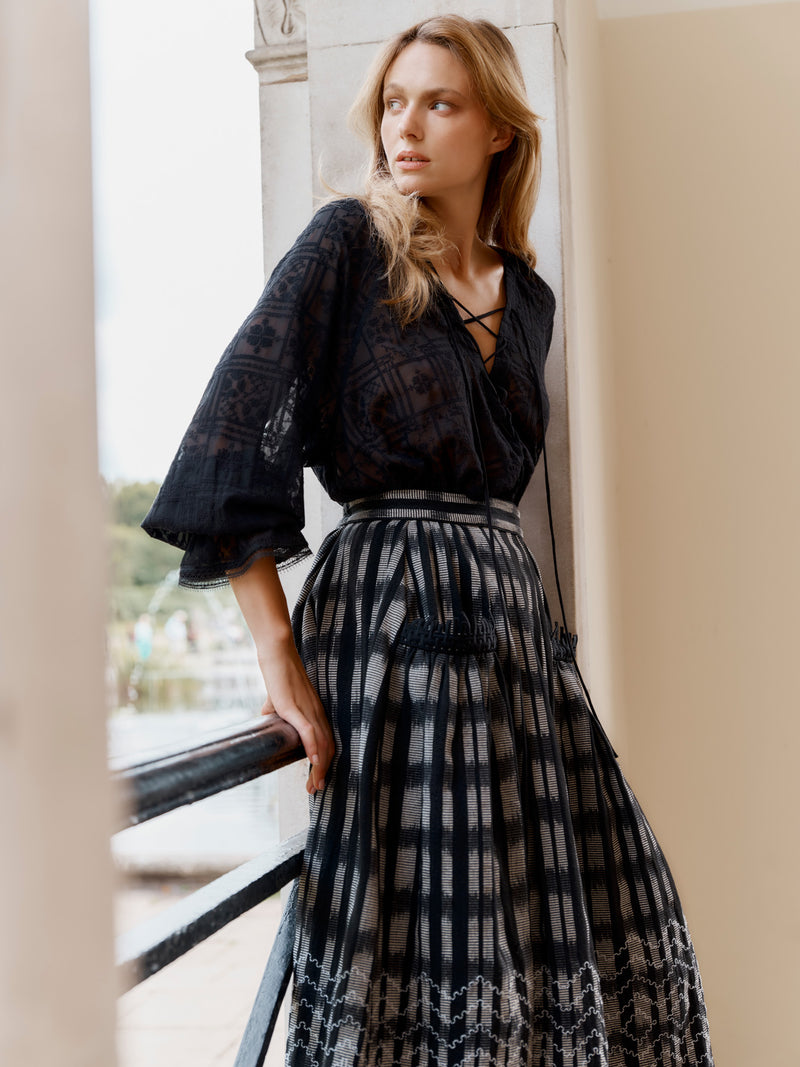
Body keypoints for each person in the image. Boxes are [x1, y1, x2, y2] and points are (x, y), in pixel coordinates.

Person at [142, 15, 714, 1067]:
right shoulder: (346, 246)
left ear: (497, 127)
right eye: (394, 102)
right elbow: (231, 430)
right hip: (392, 618)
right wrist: (279, 658)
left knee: (572, 918)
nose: (404, 126)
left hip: (512, 638)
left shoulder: (526, 296)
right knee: (420, 940)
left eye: (438, 103)